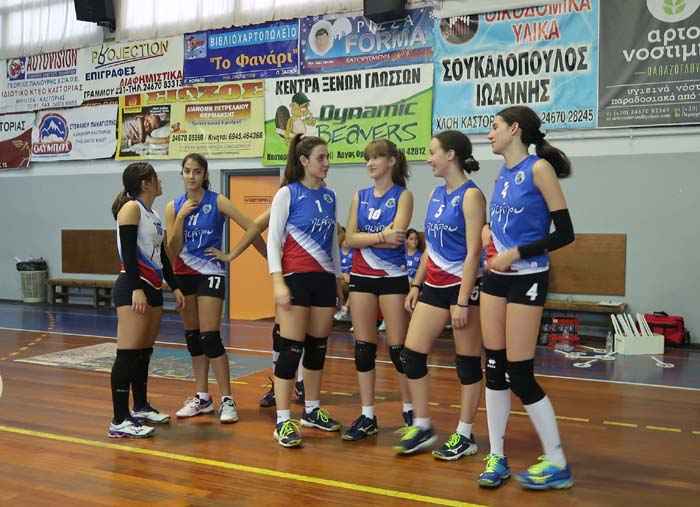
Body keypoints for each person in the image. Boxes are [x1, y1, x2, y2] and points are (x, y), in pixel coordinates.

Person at [478, 105, 575, 490]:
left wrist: (517, 253)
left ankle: (557, 462)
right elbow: (506, 219)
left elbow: (565, 233)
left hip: (527, 277)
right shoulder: (501, 173)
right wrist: (488, 229)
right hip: (496, 279)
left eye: (495, 127)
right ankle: (496, 455)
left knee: (519, 374)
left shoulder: (539, 169)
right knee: (494, 367)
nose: (490, 134)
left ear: (514, 129)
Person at [394, 131, 486, 457]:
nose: (428, 158)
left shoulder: (471, 196)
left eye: (433, 152)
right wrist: (417, 284)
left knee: (467, 363)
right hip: (433, 284)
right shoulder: (435, 193)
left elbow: (474, 252)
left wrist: (462, 300)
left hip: (463, 286)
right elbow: (429, 246)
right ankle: (422, 425)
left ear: (451, 155)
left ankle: (465, 434)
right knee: (411, 355)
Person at [164, 153, 259, 424]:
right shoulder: (173, 206)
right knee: (193, 338)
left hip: (209, 272)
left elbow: (252, 226)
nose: (191, 176)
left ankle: (227, 399)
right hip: (183, 275)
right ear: (182, 174)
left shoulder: (217, 201)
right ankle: (202, 397)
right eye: (187, 171)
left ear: (205, 174)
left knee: (210, 337)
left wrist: (230, 255)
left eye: (197, 171)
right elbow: (171, 251)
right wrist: (180, 219)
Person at [267, 134, 344, 447]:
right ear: (304, 161)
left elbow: (333, 243)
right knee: (290, 350)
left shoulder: (330, 196)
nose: (326, 163)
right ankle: (283, 420)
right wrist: (278, 281)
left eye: (327, 157)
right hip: (295, 277)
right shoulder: (287, 193)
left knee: (317, 348)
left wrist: (337, 279)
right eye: (321, 158)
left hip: (323, 279)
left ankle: (311, 410)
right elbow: (273, 240)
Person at [340, 139, 414, 441]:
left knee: (398, 350)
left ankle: (411, 411)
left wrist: (368, 238)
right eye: (367, 158)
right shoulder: (360, 196)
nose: (370, 163)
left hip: (392, 277)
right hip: (362, 276)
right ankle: (368, 415)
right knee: (363, 348)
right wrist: (381, 236)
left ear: (391, 161)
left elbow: (398, 238)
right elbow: (348, 239)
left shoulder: (403, 196)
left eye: (377, 157)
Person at [108, 162, 185, 438]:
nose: (160, 180)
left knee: (143, 353)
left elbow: (162, 256)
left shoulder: (152, 214)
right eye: (156, 177)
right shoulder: (131, 208)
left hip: (153, 288)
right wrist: (135, 288)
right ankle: (119, 420)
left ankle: (140, 407)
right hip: (133, 288)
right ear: (145, 182)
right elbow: (128, 253)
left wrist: (175, 287)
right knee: (127, 354)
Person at [216, 208, 306, 409]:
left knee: (307, 331)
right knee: (284, 330)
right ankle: (284, 383)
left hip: (315, 271)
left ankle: (302, 382)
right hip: (292, 271)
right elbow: (254, 226)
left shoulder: (323, 197)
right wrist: (265, 256)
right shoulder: (286, 198)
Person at [334, 224, 353, 322]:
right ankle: (339, 307)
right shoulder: (336, 252)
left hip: (350, 280)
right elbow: (334, 269)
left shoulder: (354, 252)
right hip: (339, 279)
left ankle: (345, 309)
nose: (346, 241)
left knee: (355, 285)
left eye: (347, 239)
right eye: (344, 239)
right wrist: (342, 275)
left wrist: (349, 276)